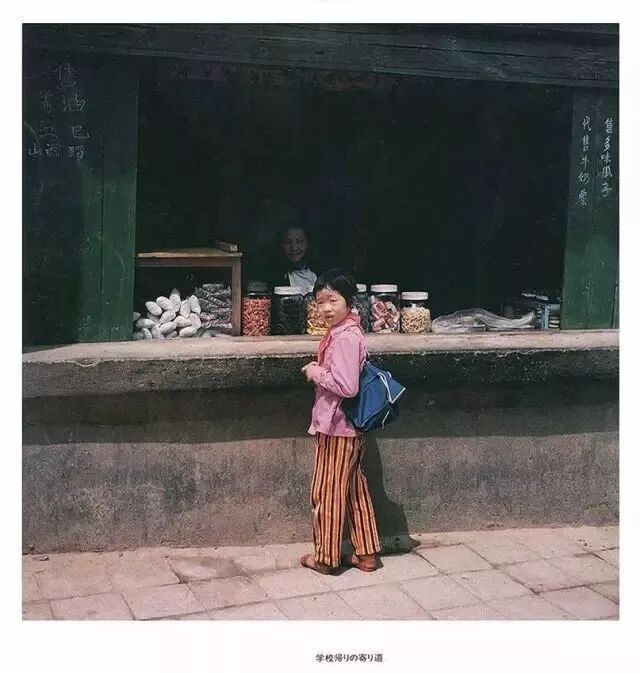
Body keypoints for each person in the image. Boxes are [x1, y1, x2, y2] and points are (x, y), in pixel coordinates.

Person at [300, 268, 382, 574]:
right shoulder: (346, 331)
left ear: (349, 301)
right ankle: (367, 553)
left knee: (327, 492)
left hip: (337, 426)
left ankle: (326, 558)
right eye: (320, 302)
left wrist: (315, 372)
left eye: (332, 300)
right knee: (353, 490)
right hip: (349, 427)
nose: (326, 308)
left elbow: (347, 386)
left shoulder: (345, 337)